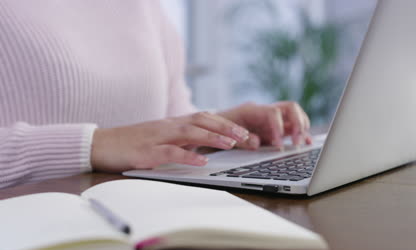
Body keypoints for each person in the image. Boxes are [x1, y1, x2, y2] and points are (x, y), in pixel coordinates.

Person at [0, 0, 312, 189]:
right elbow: (121, 141)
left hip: (148, 216)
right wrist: (94, 144)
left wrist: (216, 129)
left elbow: (167, 117)